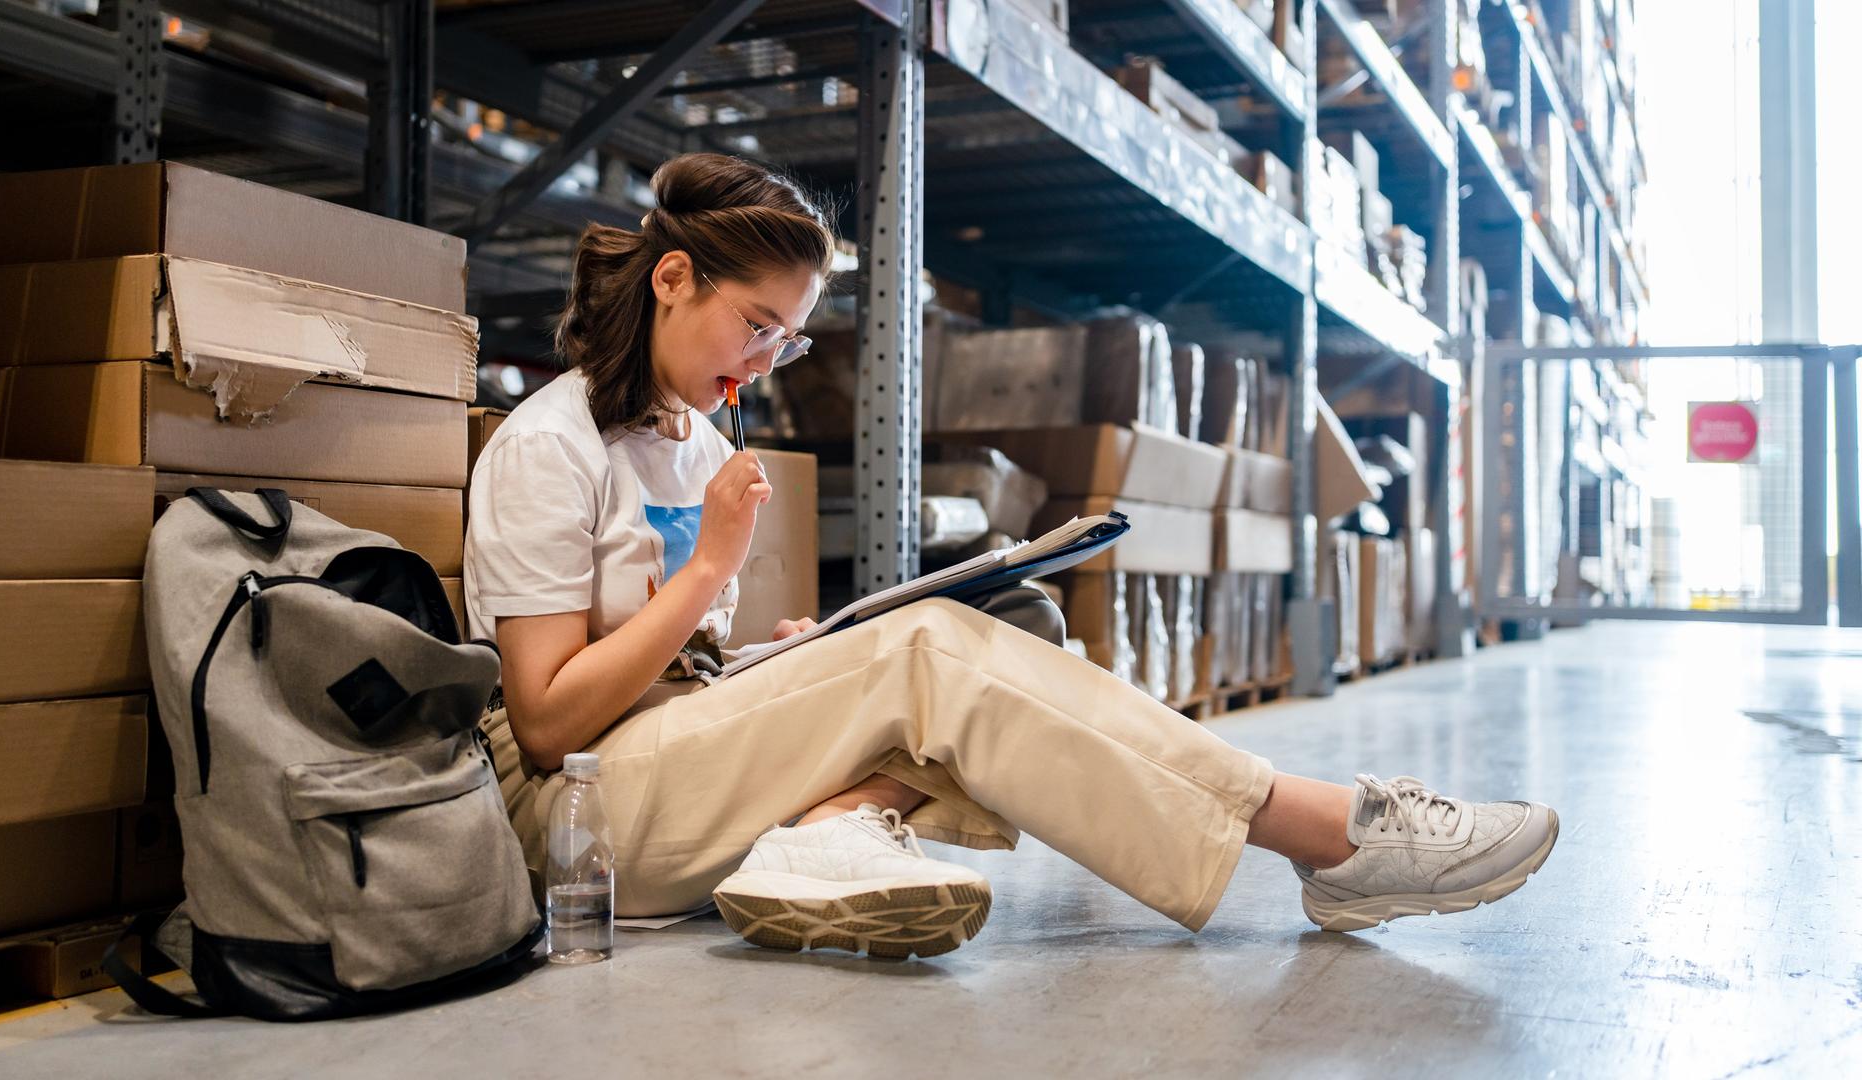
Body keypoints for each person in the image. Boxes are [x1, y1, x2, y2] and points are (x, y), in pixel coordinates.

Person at [464, 153, 1558, 960]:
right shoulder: (548, 447)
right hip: (584, 823)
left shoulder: (695, 440)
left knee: (1005, 620)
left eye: (785, 339)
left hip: (674, 747)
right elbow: (555, 723)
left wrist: (778, 654)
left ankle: (829, 836)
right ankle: (1333, 836)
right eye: (755, 324)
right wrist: (709, 571)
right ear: (670, 281)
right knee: (930, 654)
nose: (765, 361)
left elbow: (668, 663)